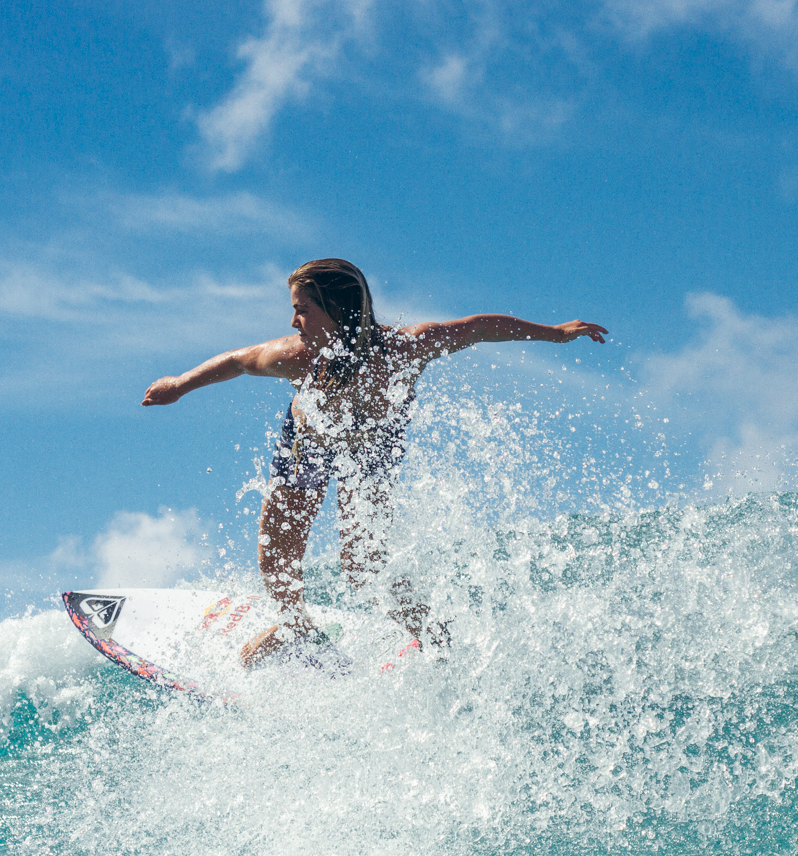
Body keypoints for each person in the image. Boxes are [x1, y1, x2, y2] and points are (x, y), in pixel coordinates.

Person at [142, 259, 607, 667]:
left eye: (303, 307)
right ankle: (294, 629)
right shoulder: (298, 358)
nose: (294, 319)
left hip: (372, 453)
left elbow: (480, 327)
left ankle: (437, 637)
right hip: (307, 445)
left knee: (365, 568)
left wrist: (556, 333)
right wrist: (178, 385)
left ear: (337, 307)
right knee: (277, 556)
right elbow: (240, 361)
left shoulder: (408, 347)